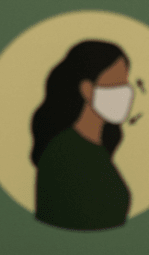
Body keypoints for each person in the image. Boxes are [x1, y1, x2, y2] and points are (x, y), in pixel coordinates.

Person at [31, 41, 134, 231]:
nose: (126, 92)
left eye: (126, 83)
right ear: (87, 89)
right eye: (117, 83)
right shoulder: (64, 153)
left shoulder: (97, 147)